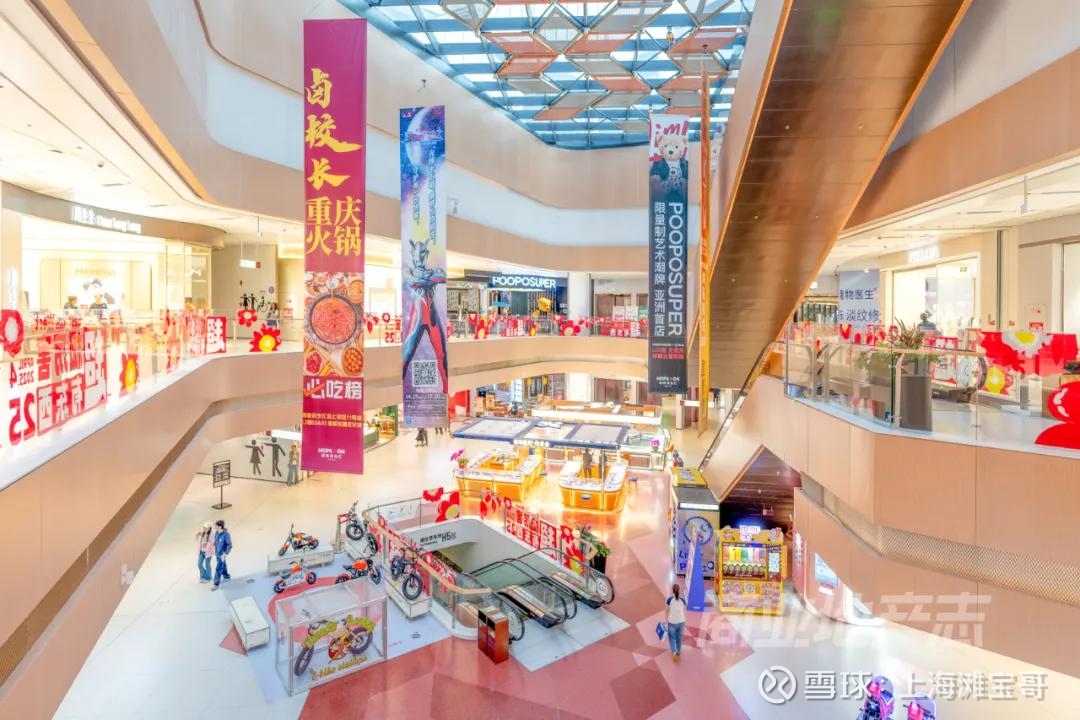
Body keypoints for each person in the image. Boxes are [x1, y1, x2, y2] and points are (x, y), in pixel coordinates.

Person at [665, 583, 687, 659]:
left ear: (672, 591)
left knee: (672, 637)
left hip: (672, 622)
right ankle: (678, 651)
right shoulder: (683, 600)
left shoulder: (669, 600)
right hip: (681, 622)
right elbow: (683, 609)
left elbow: (667, 611)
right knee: (679, 637)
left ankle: (674, 651)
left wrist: (665, 620)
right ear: (679, 590)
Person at [211, 519, 232, 590]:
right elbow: (216, 542)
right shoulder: (216, 533)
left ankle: (216, 584)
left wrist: (225, 553)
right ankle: (226, 576)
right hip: (217, 554)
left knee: (218, 568)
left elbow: (229, 545)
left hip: (222, 555)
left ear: (220, 527)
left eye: (216, 526)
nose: (215, 527)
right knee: (223, 566)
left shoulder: (226, 534)